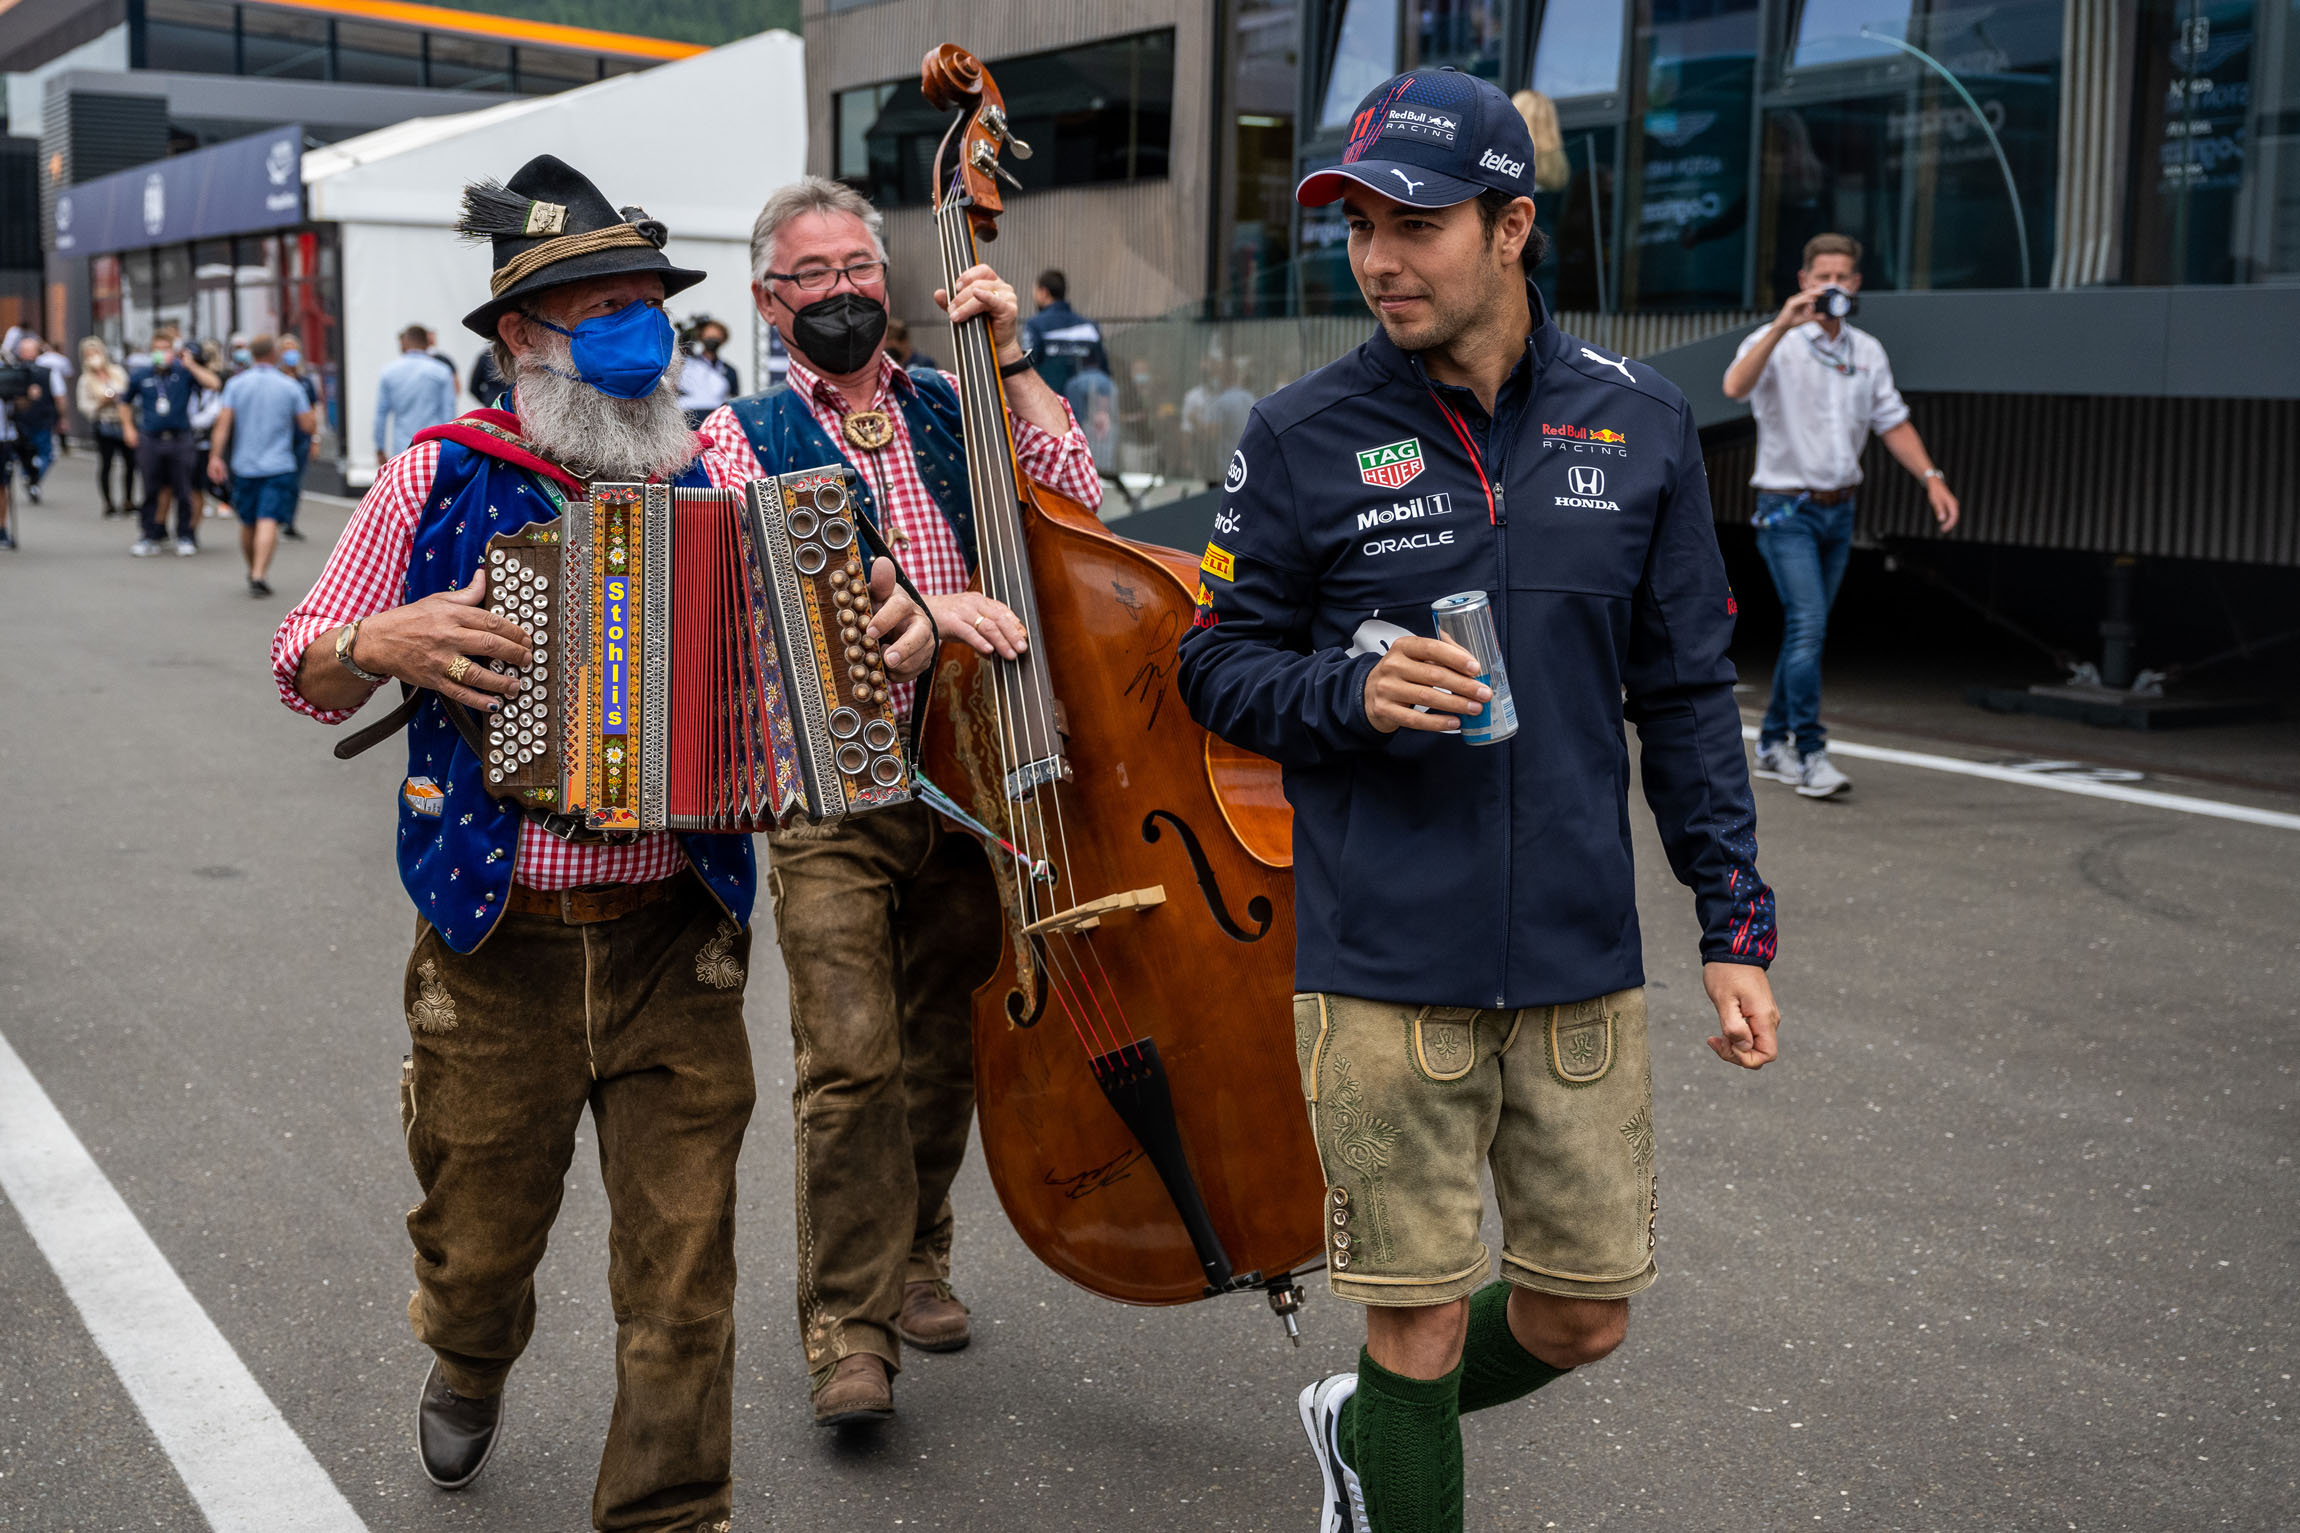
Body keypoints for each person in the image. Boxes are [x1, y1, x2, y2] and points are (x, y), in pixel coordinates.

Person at [270, 152, 935, 1530]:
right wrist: (376, 639)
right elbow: (303, 664)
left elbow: (862, 589)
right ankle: (469, 1350)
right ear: (523, 335)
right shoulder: (441, 477)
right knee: (476, 1242)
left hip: (676, 937)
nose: (640, 333)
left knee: (682, 1277)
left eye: (649, 304)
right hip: (495, 941)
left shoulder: (725, 465)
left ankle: (668, 1511)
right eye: (602, 310)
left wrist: (897, 618)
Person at [1175, 69, 1782, 1533]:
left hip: (1578, 956)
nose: (1378, 260)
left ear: (1510, 227)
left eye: (1416, 225)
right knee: (1418, 1318)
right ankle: (1393, 1436)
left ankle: (1360, 1429)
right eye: (1356, 228)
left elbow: (1686, 694)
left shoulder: (1640, 422)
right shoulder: (1301, 431)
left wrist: (1735, 924)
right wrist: (1348, 694)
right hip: (1383, 960)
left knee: (1584, 1315)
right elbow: (1212, 660)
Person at [695, 175, 1103, 1427]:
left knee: (943, 1044)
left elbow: (1074, 492)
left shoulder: (952, 400)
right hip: (834, 784)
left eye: (857, 268)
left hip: (982, 767)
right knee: (849, 1059)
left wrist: (1010, 355)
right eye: (810, 276)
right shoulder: (736, 434)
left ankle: (919, 1257)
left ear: (889, 278)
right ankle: (848, 1331)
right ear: (768, 301)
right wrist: (924, 610)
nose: (840, 292)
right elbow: (762, 590)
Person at [1720, 232, 1959, 800]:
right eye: (1822, 276)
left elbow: (1891, 420)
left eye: (1842, 277)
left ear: (1856, 284)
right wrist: (1783, 324)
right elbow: (1734, 386)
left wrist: (1932, 478)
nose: (1832, 285)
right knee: (1809, 625)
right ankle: (1810, 752)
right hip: (1786, 510)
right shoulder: (1776, 341)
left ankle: (1771, 742)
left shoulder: (1866, 350)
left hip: (1839, 511)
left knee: (1810, 630)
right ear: (1805, 281)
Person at [209, 334, 317, 597]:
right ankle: (259, 574)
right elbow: (308, 424)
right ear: (274, 354)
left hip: (244, 465)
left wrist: (215, 457)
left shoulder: (235, 384)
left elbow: (223, 424)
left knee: (247, 521)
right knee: (268, 518)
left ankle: (252, 569)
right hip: (279, 463)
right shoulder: (290, 385)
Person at [127, 331, 221, 557]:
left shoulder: (183, 372)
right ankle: (150, 535)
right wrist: (128, 427)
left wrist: (190, 364)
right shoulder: (141, 375)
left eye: (165, 349)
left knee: (184, 489)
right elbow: (124, 401)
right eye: (157, 349)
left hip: (180, 438)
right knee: (151, 489)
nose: (161, 353)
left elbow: (214, 383)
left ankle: (185, 535)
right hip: (151, 438)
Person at [375, 324, 458, 468]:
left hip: (401, 448)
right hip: (433, 448)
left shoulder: (388, 372)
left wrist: (379, 448)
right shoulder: (442, 371)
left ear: (404, 343)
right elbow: (449, 413)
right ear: (427, 343)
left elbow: (381, 414)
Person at [1021, 268, 1109, 400]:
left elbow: (1026, 369)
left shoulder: (1035, 326)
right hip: (1088, 408)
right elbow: (1104, 371)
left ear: (1043, 292)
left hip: (1051, 406)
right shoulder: (1090, 327)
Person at [78, 338, 138, 517]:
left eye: (96, 353)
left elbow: (130, 393)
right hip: (104, 424)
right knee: (106, 464)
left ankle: (128, 500)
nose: (94, 358)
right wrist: (101, 403)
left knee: (130, 463)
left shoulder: (117, 372)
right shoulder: (85, 380)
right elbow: (84, 406)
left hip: (123, 422)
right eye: (89, 355)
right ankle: (108, 503)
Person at [4, 335, 58, 504]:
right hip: (22, 422)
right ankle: (32, 479)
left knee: (44, 453)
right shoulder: (12, 372)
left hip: (41, 420)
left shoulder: (46, 372)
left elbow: (59, 396)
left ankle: (32, 478)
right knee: (28, 454)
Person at [672, 313, 741, 424]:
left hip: (716, 420)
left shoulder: (729, 371)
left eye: (716, 338)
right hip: (688, 418)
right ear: (701, 338)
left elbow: (734, 399)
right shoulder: (686, 364)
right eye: (708, 337)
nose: (712, 340)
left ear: (723, 340)